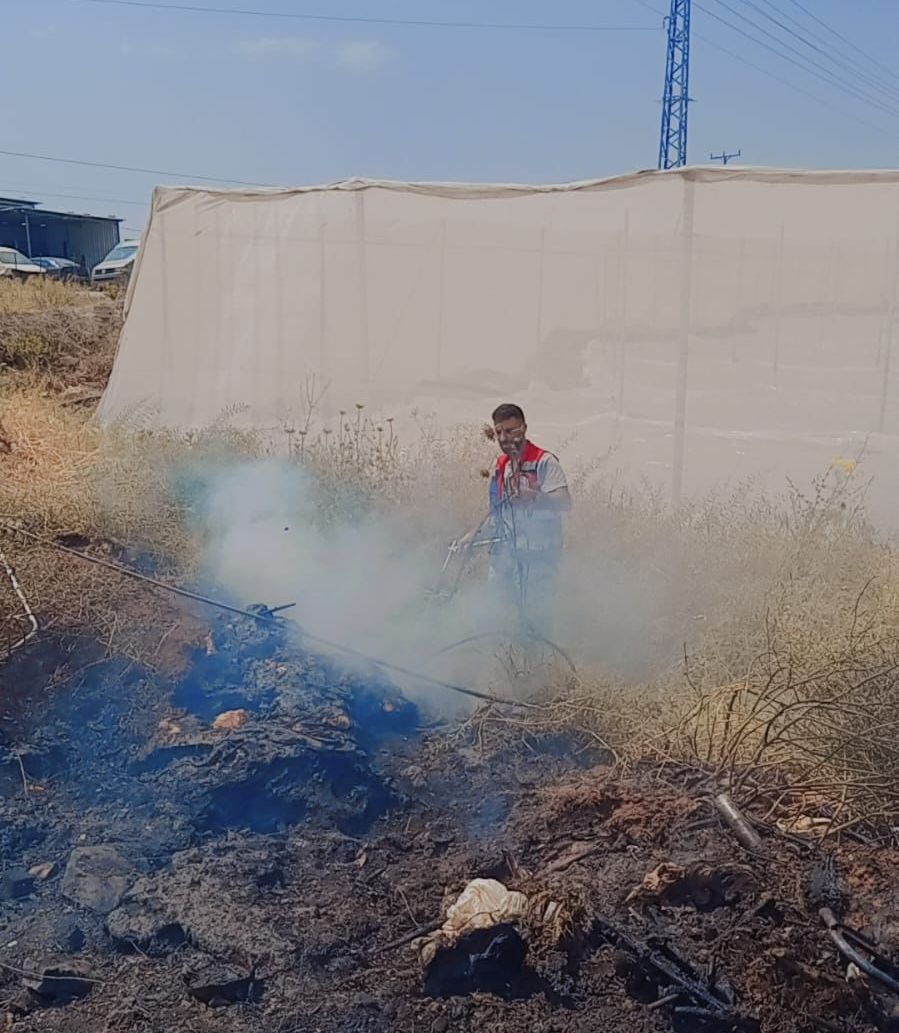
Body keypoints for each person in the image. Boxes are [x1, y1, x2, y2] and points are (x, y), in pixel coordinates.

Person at [464, 403, 571, 635]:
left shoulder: (544, 462)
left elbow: (564, 501)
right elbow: (496, 513)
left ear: (523, 428)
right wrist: (472, 536)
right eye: (499, 432)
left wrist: (536, 497)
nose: (504, 438)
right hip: (504, 560)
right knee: (495, 621)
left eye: (510, 430)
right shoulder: (501, 466)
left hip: (538, 562)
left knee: (535, 625)